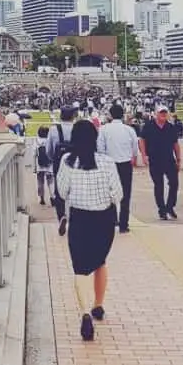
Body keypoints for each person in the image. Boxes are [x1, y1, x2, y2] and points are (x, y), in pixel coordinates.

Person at [55, 119, 123, 342]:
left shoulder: (67, 161)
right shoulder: (106, 162)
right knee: (100, 261)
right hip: (103, 219)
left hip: (80, 219)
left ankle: (84, 312)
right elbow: (117, 192)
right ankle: (98, 305)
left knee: (80, 268)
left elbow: (62, 191)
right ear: (95, 138)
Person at [97, 103, 138, 233]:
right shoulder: (129, 130)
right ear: (123, 115)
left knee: (109, 193)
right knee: (126, 194)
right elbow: (135, 150)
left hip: (109, 163)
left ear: (110, 115)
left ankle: (112, 220)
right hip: (125, 164)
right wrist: (132, 158)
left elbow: (100, 149)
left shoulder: (104, 129)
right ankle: (123, 225)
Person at [139, 105, 182, 220]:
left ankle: (170, 206)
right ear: (156, 114)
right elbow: (142, 140)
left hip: (169, 159)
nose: (163, 115)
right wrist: (144, 155)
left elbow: (175, 144)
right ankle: (161, 209)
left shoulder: (170, 127)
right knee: (159, 185)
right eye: (161, 113)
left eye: (165, 113)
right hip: (154, 159)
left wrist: (178, 158)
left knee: (174, 183)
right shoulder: (149, 126)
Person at [45, 106, 77, 235]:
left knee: (59, 192)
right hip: (75, 162)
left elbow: (49, 150)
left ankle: (61, 216)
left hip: (59, 163)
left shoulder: (54, 129)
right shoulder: (77, 128)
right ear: (73, 116)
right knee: (75, 190)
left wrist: (54, 159)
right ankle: (74, 218)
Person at [35, 125, 53, 205]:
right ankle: (53, 197)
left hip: (40, 165)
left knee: (40, 182)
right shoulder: (49, 140)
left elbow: (34, 153)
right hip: (49, 165)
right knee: (51, 182)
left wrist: (34, 167)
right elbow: (51, 152)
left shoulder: (36, 141)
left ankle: (42, 198)